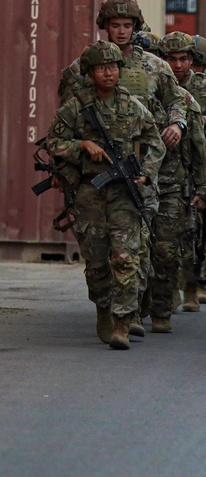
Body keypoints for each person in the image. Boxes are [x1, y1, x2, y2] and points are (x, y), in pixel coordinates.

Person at [46, 41, 165, 349]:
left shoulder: (132, 106)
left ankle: (122, 322)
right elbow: (53, 142)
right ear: (91, 72)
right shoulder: (77, 106)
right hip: (90, 192)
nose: (108, 73)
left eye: (113, 67)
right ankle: (103, 307)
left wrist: (146, 173)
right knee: (97, 262)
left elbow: (155, 141)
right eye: (101, 68)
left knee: (126, 258)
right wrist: (81, 146)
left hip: (124, 193)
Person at [160, 31, 206, 309]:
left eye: (184, 59)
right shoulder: (155, 85)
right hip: (163, 164)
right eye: (172, 59)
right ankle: (168, 286)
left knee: (200, 227)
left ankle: (194, 283)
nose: (178, 66)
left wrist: (195, 122)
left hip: (199, 162)